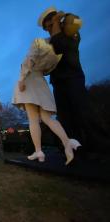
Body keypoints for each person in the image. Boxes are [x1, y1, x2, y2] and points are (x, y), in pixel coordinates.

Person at [37, 7, 109, 156]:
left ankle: (103, 147)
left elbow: (61, 45)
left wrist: (57, 23)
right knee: (65, 118)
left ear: (54, 20)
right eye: (46, 28)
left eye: (49, 25)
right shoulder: (51, 40)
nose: (48, 30)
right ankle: (75, 149)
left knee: (83, 112)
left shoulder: (70, 32)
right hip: (58, 82)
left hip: (73, 77)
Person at [12, 38, 81, 165]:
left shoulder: (37, 44)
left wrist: (21, 79)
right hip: (41, 84)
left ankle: (39, 151)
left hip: (29, 81)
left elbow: (30, 58)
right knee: (47, 118)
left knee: (33, 119)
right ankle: (67, 142)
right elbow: (46, 71)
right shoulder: (53, 56)